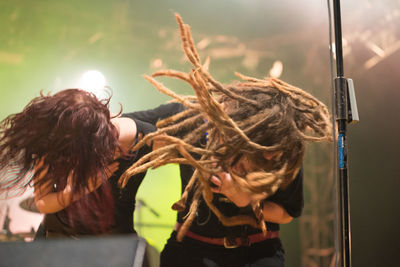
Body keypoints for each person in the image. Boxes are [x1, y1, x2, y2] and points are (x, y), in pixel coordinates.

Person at [119, 14, 333, 267]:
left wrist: (248, 201)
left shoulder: (277, 144)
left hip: (257, 253)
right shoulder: (191, 117)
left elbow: (287, 212)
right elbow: (131, 124)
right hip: (191, 251)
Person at [0, 88, 182, 239]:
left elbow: (190, 159)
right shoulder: (54, 139)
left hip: (111, 248)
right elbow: (42, 202)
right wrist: (74, 192)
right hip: (56, 240)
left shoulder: (144, 138)